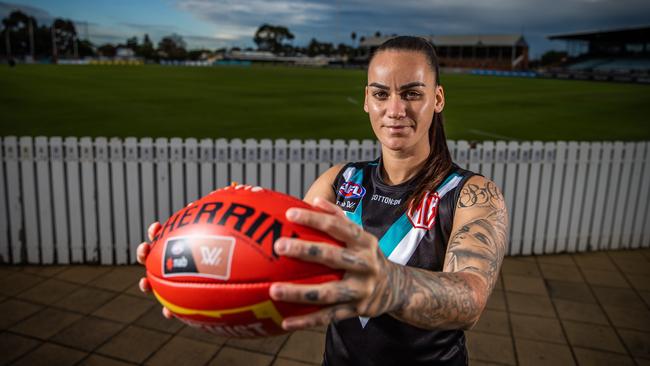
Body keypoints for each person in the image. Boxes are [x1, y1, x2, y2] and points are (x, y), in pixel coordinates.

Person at [137, 36, 508, 366]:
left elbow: (470, 299)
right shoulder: (339, 181)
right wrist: (185, 265)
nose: (395, 109)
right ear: (366, 100)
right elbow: (280, 260)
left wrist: (390, 284)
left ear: (437, 98)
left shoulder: (471, 193)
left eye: (412, 93)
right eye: (381, 93)